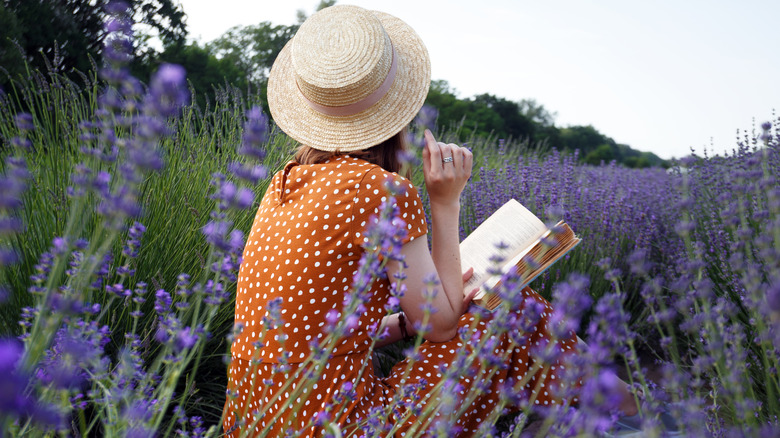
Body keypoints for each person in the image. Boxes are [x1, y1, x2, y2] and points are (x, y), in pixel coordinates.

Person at [222, 5, 639, 437]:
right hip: (342, 426)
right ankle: (636, 418)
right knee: (516, 307)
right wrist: (445, 202)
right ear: (398, 110)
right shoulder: (380, 191)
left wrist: (400, 325)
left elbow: (316, 335)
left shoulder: (283, 182)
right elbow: (439, 325)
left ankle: (608, 416)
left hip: (256, 422)